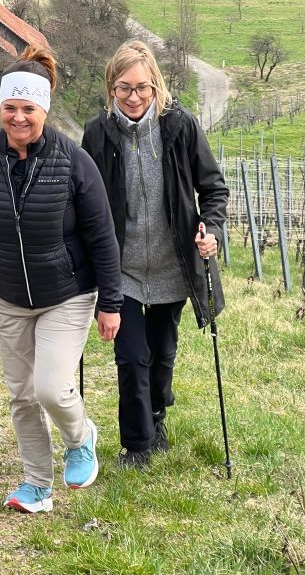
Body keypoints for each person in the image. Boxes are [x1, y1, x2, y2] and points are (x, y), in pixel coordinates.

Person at [0, 44, 122, 515]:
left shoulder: (73, 161)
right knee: (21, 396)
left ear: (44, 109)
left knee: (50, 388)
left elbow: (102, 235)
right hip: (9, 295)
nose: (18, 118)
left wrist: (111, 303)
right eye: (10, 108)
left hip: (68, 293)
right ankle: (37, 486)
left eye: (28, 109)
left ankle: (80, 438)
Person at [81, 39, 229, 469]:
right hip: (121, 268)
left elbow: (213, 189)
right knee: (132, 357)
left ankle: (157, 415)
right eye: (124, 88)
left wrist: (211, 230)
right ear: (111, 87)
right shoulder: (97, 133)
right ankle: (138, 445)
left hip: (172, 264)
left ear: (156, 86)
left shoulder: (180, 126)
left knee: (162, 355)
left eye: (142, 88)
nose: (134, 97)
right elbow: (82, 198)